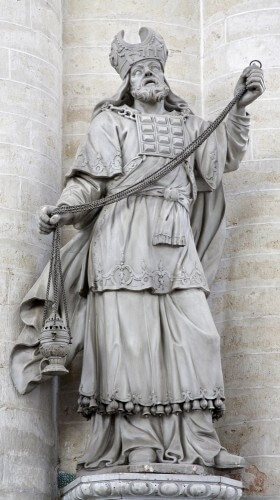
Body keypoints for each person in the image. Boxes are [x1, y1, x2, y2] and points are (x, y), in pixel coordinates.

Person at [10, 28, 265, 471]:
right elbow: (88, 183)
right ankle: (137, 443)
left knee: (198, 336)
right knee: (128, 344)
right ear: (126, 81)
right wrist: (65, 210)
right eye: (140, 70)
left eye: (155, 68)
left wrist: (239, 107)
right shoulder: (110, 123)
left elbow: (223, 158)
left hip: (175, 241)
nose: (149, 74)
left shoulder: (188, 124)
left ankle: (201, 440)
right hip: (121, 242)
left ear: (165, 77)